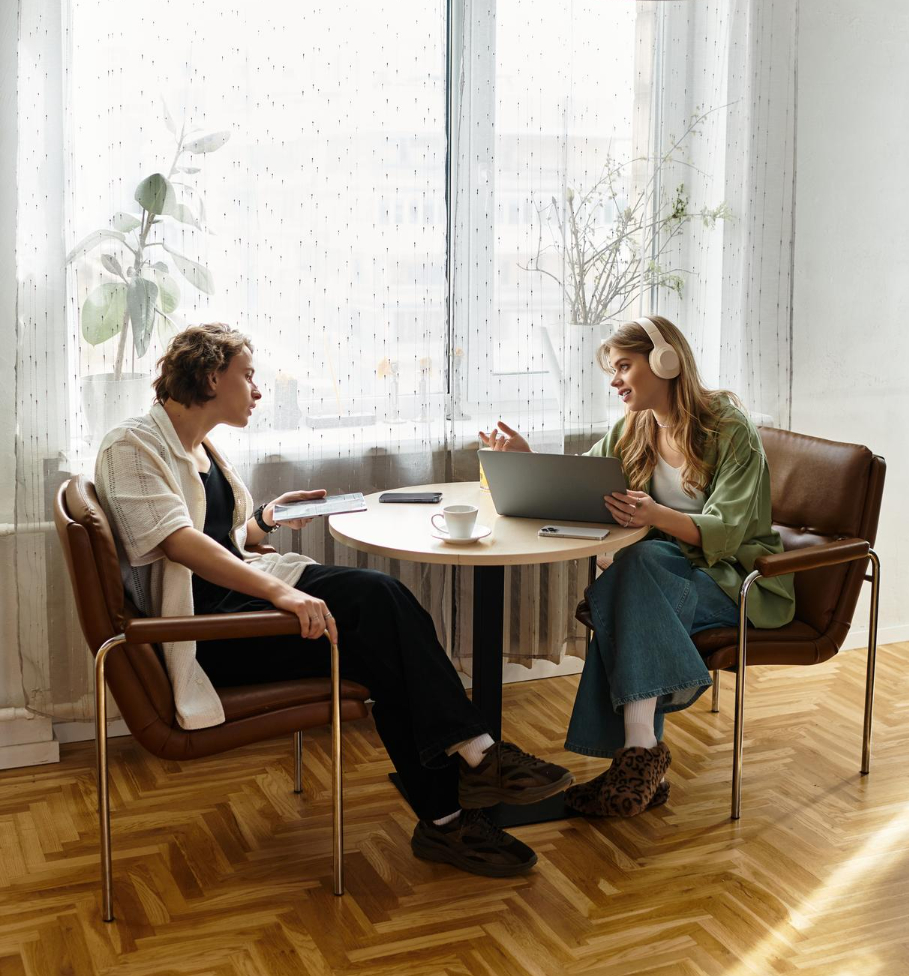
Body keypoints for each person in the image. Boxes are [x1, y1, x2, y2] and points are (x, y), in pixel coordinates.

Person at [95, 322, 574, 877]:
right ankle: (466, 784)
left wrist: (266, 519)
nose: (256, 390)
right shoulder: (131, 447)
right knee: (381, 623)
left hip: (241, 604)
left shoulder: (195, 445)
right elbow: (179, 542)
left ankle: (461, 793)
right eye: (247, 376)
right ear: (209, 376)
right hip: (211, 635)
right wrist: (283, 592)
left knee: (385, 608)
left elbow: (216, 535)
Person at [479, 316, 794, 819]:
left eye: (624, 366)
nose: (615, 380)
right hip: (663, 576)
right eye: (613, 370)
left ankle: (633, 763)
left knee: (632, 575)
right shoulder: (636, 427)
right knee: (633, 580)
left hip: (734, 580)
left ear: (666, 360)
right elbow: (585, 481)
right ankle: (639, 755)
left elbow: (730, 529)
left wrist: (656, 515)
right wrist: (528, 457)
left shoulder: (730, 429)